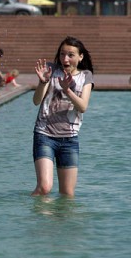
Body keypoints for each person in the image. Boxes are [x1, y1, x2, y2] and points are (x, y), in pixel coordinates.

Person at [31, 36, 94, 197]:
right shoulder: (51, 70)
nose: (65, 59)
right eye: (62, 54)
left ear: (80, 57)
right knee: (44, 187)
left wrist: (67, 90)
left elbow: (82, 107)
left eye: (71, 55)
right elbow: (36, 101)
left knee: (67, 194)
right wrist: (43, 82)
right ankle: (34, 219)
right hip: (45, 135)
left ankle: (62, 222)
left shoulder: (85, 76)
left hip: (70, 139)